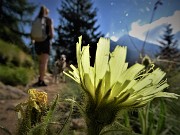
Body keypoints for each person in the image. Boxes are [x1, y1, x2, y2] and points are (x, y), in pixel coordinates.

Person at [32, 5, 54, 86]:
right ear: (46, 12)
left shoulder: (36, 20)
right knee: (44, 63)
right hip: (45, 42)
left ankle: (40, 79)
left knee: (40, 62)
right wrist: (50, 37)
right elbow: (51, 34)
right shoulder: (48, 20)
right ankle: (41, 80)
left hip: (37, 42)